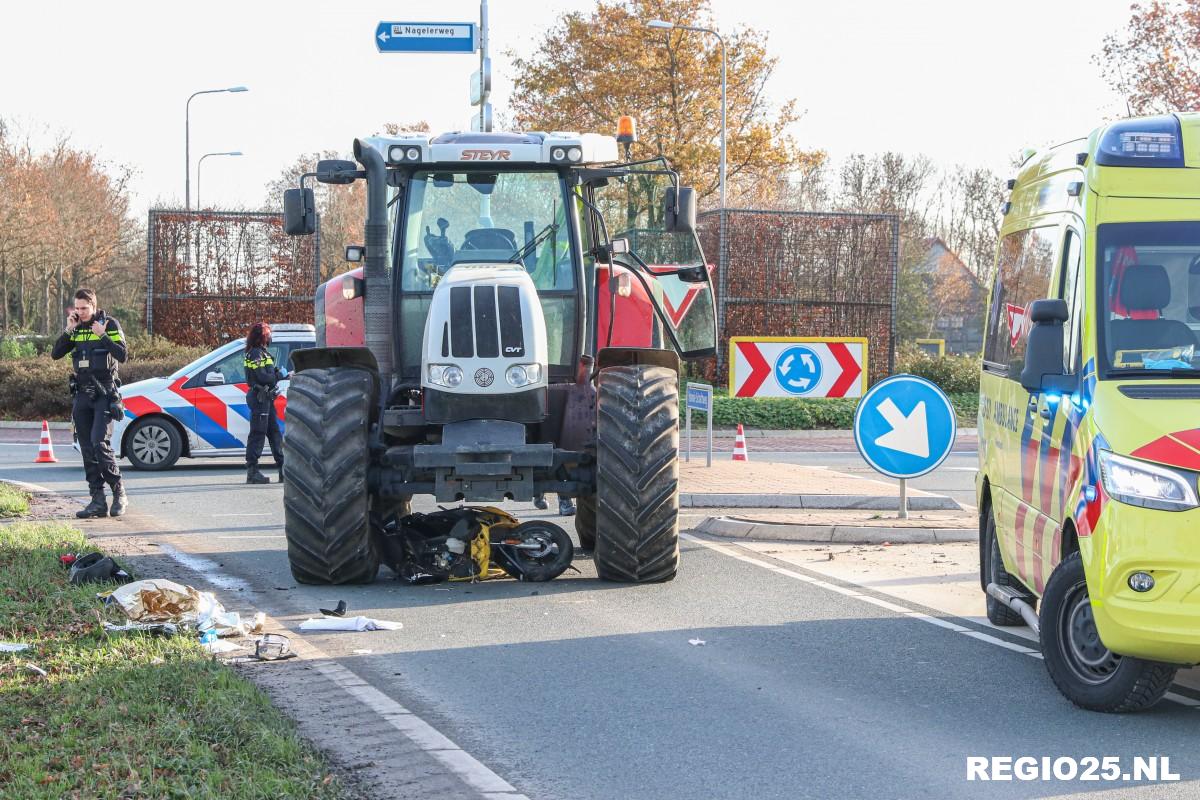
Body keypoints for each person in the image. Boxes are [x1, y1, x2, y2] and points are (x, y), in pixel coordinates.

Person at [50, 288, 128, 518]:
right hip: (82, 394)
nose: (80, 312)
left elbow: (122, 355)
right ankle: (97, 500)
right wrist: (68, 330)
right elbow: (56, 354)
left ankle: (119, 492)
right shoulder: (76, 328)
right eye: (77, 308)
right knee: (86, 448)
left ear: (94, 306)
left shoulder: (109, 324)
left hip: (104, 393)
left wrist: (103, 334)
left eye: (85, 308)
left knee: (98, 443)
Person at [243, 322, 285, 484]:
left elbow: (267, 374)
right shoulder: (255, 354)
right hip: (260, 398)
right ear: (261, 337)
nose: (270, 337)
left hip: (266, 399)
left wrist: (279, 374)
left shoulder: (262, 353)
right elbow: (262, 377)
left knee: (274, 433)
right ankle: (252, 472)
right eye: (268, 334)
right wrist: (279, 375)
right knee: (257, 434)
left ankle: (283, 469)